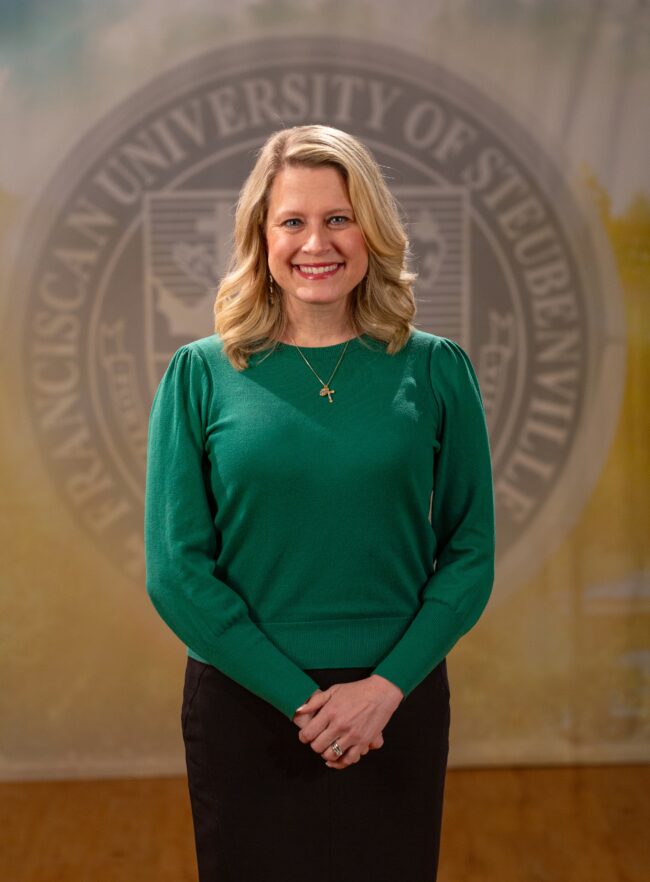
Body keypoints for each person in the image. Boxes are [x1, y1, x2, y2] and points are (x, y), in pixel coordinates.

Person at [144, 124, 495, 882]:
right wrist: (306, 703)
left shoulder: (437, 370)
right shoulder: (199, 374)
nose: (317, 242)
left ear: (371, 230)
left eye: (339, 218)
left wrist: (382, 691)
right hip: (245, 703)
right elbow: (175, 572)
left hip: (394, 699)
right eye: (293, 221)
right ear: (260, 237)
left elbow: (469, 553)